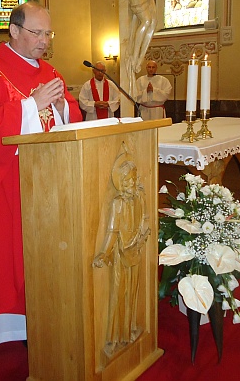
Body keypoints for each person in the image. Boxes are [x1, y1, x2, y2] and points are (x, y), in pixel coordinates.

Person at [0, 1, 82, 349]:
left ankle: (45, 313)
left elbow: (70, 113)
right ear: (13, 30)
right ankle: (12, 324)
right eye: (36, 33)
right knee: (11, 255)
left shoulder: (51, 73)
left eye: (47, 33)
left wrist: (61, 107)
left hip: (52, 182)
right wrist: (31, 106)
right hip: (8, 181)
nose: (43, 41)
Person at [93, 149, 150, 356]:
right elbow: (112, 231)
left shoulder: (139, 198)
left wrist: (143, 234)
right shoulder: (117, 203)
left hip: (135, 250)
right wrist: (104, 253)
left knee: (132, 293)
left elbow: (145, 219)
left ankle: (129, 331)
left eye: (134, 181)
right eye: (128, 182)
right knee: (118, 294)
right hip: (119, 254)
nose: (132, 186)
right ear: (122, 182)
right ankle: (115, 337)